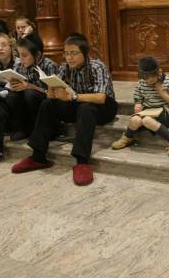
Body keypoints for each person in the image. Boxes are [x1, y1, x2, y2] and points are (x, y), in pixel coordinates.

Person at [11, 33, 118, 186]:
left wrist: (71, 97)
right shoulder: (64, 67)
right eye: (66, 53)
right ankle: (38, 156)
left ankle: (82, 161)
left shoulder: (97, 66)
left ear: (85, 53)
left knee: (86, 107)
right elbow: (55, 92)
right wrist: (51, 93)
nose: (69, 58)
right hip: (78, 105)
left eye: (73, 53)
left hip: (104, 107)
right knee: (48, 104)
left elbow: (101, 97)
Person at [0, 34, 58, 168]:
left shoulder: (46, 64)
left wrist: (30, 86)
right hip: (21, 105)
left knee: (28, 94)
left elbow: (53, 94)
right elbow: (4, 87)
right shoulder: (18, 64)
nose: (0, 49)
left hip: (44, 106)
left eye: (4, 45)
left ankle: (34, 133)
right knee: (3, 98)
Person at [112, 56, 169, 155]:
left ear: (158, 73)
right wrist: (137, 104)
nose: (146, 82)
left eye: (149, 80)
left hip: (164, 113)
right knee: (134, 120)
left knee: (146, 120)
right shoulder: (142, 82)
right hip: (146, 111)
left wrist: (161, 91)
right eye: (144, 79)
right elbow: (138, 97)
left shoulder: (168, 80)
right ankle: (127, 138)